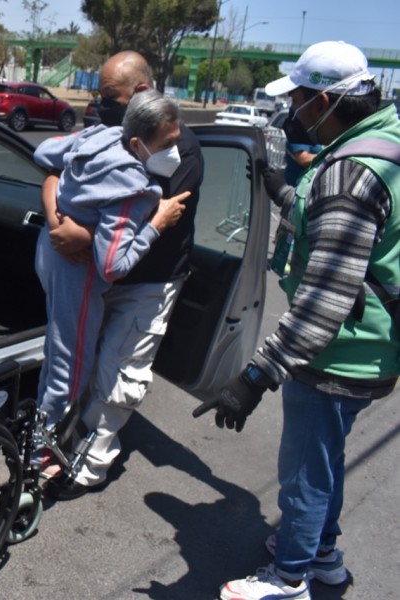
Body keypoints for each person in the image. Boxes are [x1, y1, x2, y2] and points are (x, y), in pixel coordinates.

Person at [193, 40, 400, 600]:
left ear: (328, 99)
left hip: (340, 352)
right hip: (371, 344)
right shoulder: (382, 144)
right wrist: (281, 190)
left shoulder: (351, 170)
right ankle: (323, 556)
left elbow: (325, 300)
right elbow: (328, 223)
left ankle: (289, 579)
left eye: (303, 99)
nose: (296, 111)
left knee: (306, 473)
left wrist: (257, 376)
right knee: (326, 461)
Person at [41, 51, 204, 500]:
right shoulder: (117, 135)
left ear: (137, 94)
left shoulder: (176, 151)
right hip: (101, 275)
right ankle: (59, 442)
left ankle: (87, 466)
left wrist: (82, 234)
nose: (98, 103)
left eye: (107, 95)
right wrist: (60, 220)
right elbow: (57, 169)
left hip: (146, 282)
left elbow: (145, 217)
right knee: (82, 364)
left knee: (118, 375)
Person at [282, 107, 323, 186]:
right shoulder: (297, 133)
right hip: (296, 186)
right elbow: (303, 159)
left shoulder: (310, 133)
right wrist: (329, 155)